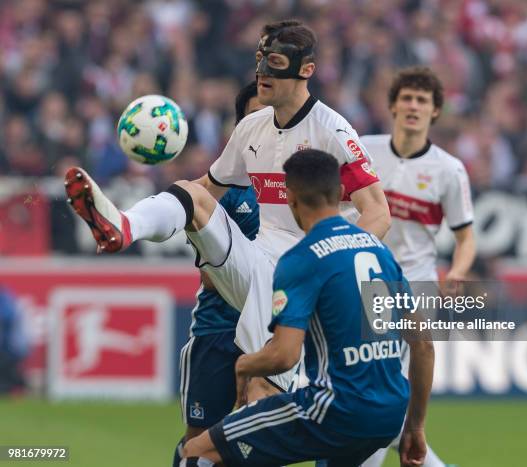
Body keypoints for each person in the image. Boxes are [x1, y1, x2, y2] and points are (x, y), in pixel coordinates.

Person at [64, 20, 390, 394]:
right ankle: (124, 226)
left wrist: (328, 262)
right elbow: (207, 192)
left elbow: (379, 213)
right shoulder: (251, 128)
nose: (263, 72)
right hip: (256, 260)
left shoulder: (332, 131)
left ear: (306, 70)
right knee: (193, 194)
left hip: (303, 276)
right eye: (260, 59)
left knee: (260, 398)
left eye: (277, 62)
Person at [181, 149, 434, 467]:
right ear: (341, 194)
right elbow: (423, 344)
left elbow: (284, 355)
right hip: (389, 415)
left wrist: (244, 366)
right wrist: (415, 425)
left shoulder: (300, 259)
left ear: (290, 199)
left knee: (197, 451)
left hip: (335, 409)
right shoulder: (380, 251)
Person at [360, 66, 475, 467]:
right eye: (406, 98)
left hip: (417, 287)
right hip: (365, 283)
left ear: (435, 112)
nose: (413, 106)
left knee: (379, 396)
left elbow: (466, 236)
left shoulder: (449, 169)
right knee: (380, 401)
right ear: (392, 105)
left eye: (422, 100)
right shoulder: (362, 149)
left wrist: (458, 271)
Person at [172, 81, 264, 467]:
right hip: (218, 333)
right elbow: (213, 276)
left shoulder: (301, 187)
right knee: (199, 444)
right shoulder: (221, 188)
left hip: (271, 334)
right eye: (258, 116)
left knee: (254, 448)